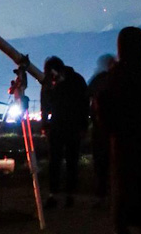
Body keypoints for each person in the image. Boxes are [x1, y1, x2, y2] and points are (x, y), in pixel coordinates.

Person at [98, 27, 141, 234]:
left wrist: (110, 130)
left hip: (123, 142)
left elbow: (106, 105)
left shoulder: (116, 74)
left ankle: (124, 227)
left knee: (123, 189)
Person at [40, 55, 89, 208]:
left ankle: (70, 195)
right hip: (57, 126)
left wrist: (83, 126)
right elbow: (44, 105)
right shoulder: (51, 81)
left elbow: (84, 104)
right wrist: (45, 124)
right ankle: (54, 194)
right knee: (55, 162)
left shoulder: (77, 80)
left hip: (72, 126)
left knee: (71, 162)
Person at [87, 53, 116, 207]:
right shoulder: (117, 80)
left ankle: (102, 196)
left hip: (101, 129)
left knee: (102, 165)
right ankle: (109, 196)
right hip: (110, 130)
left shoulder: (99, 81)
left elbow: (88, 94)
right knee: (109, 165)